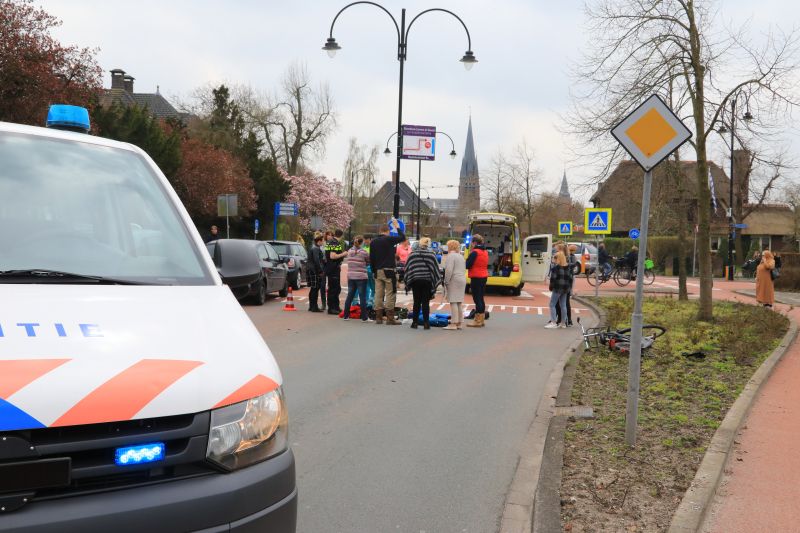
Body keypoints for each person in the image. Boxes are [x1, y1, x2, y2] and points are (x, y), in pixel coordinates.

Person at [370, 219, 406, 325]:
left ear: (380, 230)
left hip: (378, 270)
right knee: (390, 293)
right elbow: (402, 237)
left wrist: (373, 271)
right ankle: (390, 318)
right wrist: (397, 226)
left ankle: (378, 317)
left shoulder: (373, 242)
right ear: (388, 231)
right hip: (389, 270)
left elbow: (372, 258)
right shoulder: (389, 239)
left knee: (378, 293)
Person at [403, 237, 442, 330]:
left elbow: (407, 268)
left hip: (415, 280)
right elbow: (435, 269)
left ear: (419, 244)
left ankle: (415, 323)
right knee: (425, 302)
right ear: (427, 245)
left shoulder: (412, 254)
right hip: (427, 281)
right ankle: (426, 324)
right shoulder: (431, 255)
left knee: (416, 301)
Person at [342, 236, 373, 322]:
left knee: (350, 296)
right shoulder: (364, 252)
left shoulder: (350, 251)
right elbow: (369, 262)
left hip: (351, 276)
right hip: (361, 276)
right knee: (362, 296)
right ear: (361, 243)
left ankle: (346, 316)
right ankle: (364, 317)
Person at [442, 240, 467, 331]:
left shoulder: (451, 256)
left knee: (453, 301)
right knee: (459, 301)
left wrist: (446, 281)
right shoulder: (461, 256)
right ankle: (459, 322)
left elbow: (449, 270)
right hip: (462, 279)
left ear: (450, 247)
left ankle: (453, 323)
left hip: (454, 279)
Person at [465, 234, 489, 328]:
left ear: (474, 242)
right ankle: (482, 319)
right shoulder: (485, 251)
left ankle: (477, 321)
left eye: (472, 242)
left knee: (477, 299)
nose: (471, 244)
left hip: (476, 276)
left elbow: (467, 265)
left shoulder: (475, 252)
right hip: (484, 276)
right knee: (481, 298)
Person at [546, 251, 573, 328]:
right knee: (563, 305)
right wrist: (569, 288)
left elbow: (553, 279)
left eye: (554, 258)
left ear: (558, 259)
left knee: (552, 304)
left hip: (557, 288)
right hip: (565, 289)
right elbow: (570, 279)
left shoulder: (556, 268)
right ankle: (563, 323)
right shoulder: (568, 268)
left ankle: (553, 322)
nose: (554, 260)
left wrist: (551, 287)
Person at [324, 229, 347, 315]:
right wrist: (343, 254)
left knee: (337, 288)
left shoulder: (330, 242)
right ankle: (331, 308)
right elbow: (332, 256)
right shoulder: (334, 243)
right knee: (333, 288)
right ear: (341, 236)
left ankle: (336, 306)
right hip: (333, 268)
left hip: (333, 268)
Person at [556, 245, 578, 327]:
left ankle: (566, 319)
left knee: (564, 302)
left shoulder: (570, 256)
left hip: (566, 280)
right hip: (567, 279)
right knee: (563, 302)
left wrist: (566, 264)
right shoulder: (567, 256)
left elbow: (574, 263)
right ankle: (563, 319)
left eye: (557, 249)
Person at [306, 234, 325, 312]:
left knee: (312, 288)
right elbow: (317, 260)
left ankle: (311, 306)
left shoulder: (312, 247)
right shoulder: (316, 249)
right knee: (315, 288)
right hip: (314, 270)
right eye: (323, 241)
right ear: (319, 241)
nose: (323, 243)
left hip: (310, 269)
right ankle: (314, 307)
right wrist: (320, 270)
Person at [319, 230, 334, 311]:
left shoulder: (334, 243)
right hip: (324, 265)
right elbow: (320, 251)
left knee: (331, 284)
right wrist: (324, 257)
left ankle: (330, 302)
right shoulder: (323, 243)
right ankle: (323, 302)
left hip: (330, 265)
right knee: (322, 284)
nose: (330, 236)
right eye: (328, 235)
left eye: (331, 235)